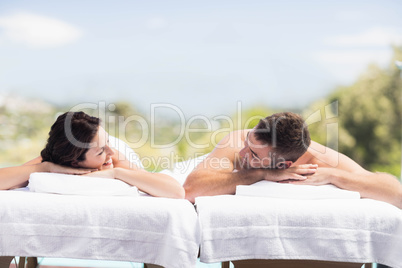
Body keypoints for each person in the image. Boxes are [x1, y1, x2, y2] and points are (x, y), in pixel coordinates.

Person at [184, 112, 402, 208]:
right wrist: (260, 172)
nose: (242, 154)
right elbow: (191, 189)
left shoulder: (319, 158)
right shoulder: (237, 141)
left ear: (284, 165)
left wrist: (333, 176)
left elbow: (395, 193)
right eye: (247, 145)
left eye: (253, 155)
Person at [0, 111, 185, 199]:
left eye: (108, 144)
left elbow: (176, 191)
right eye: (102, 151)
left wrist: (116, 173)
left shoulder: (114, 156)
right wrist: (46, 167)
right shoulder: (55, 158)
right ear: (74, 161)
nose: (110, 153)